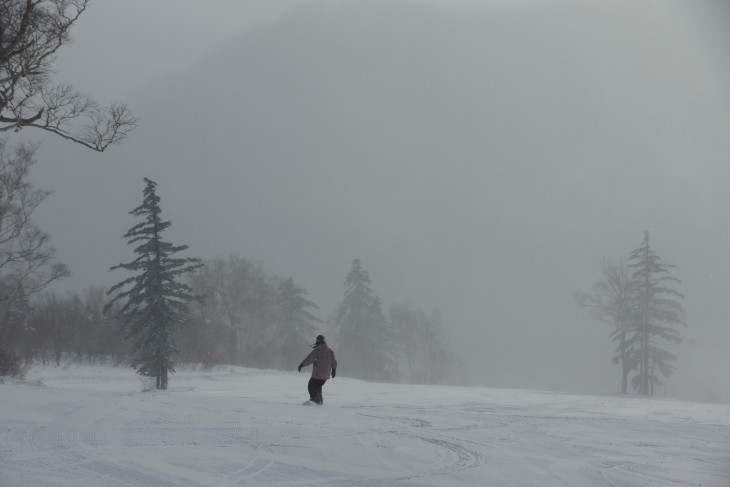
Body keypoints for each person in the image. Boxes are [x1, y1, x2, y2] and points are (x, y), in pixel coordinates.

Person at [297, 334, 337, 405]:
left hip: (318, 374)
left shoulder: (317, 350)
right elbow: (334, 362)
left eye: (317, 340)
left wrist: (302, 364)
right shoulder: (330, 351)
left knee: (311, 386)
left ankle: (313, 401)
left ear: (319, 341)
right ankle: (319, 402)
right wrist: (334, 370)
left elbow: (310, 358)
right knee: (318, 387)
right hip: (325, 375)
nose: (316, 341)